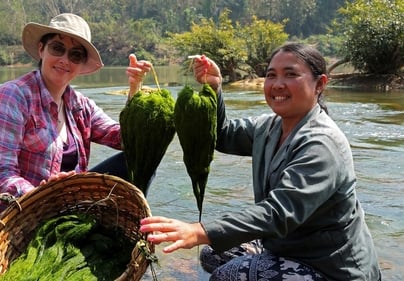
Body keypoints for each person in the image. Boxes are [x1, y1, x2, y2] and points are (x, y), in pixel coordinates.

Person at [139, 43, 381, 280]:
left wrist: (199, 230)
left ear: (320, 84)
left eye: (291, 75)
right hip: (285, 246)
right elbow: (221, 135)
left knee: (229, 274)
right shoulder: (269, 127)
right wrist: (214, 88)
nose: (277, 84)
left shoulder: (322, 144)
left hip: (329, 266)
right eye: (271, 75)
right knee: (213, 254)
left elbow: (278, 213)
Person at [0, 13, 152, 243]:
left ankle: (132, 231)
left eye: (75, 55)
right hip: (12, 220)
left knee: (141, 156)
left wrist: (134, 90)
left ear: (80, 64)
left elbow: (125, 139)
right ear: (42, 49)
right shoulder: (13, 97)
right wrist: (42, 195)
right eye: (57, 48)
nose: (65, 60)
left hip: (63, 214)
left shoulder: (80, 105)